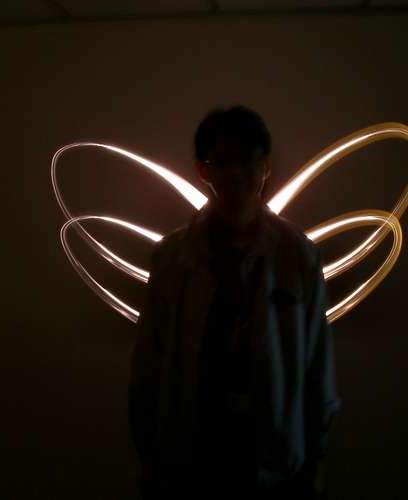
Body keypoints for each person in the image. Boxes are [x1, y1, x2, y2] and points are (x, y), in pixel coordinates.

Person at [128, 105, 342, 500]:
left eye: (247, 160)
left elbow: (317, 363)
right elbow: (149, 364)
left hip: (275, 459)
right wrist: (150, 458)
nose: (235, 172)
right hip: (191, 458)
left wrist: (314, 461)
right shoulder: (172, 258)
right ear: (203, 170)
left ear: (265, 167)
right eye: (222, 161)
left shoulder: (298, 256)